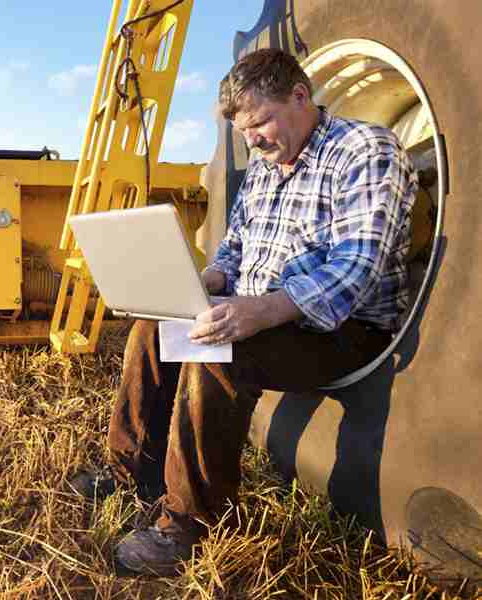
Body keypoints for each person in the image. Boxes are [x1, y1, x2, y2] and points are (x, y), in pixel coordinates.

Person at [71, 48, 418, 576]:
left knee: (219, 352)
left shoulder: (366, 151)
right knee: (152, 326)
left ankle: (190, 524)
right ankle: (129, 471)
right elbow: (234, 249)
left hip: (345, 329)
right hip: (261, 312)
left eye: (259, 123)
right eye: (244, 130)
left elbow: (357, 268)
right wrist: (200, 284)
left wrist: (259, 311)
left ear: (301, 96)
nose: (252, 140)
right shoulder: (264, 165)